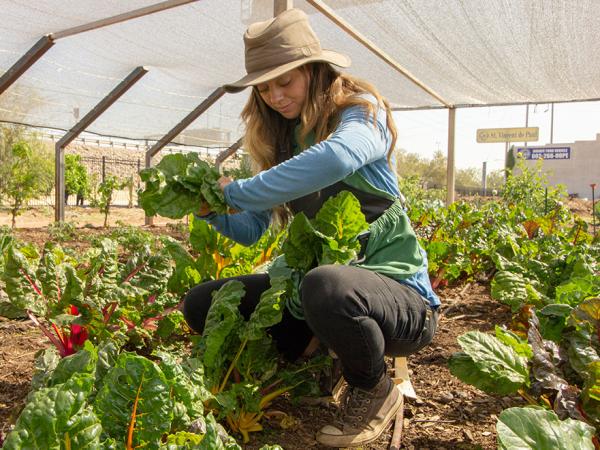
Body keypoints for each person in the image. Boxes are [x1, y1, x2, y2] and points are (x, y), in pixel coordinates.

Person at [183, 8, 440, 448]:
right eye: (264, 88)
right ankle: (318, 359)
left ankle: (375, 388)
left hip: (398, 302)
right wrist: (212, 211)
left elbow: (338, 158)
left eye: (286, 81)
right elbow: (251, 231)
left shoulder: (361, 114)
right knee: (205, 302)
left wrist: (239, 190)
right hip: (315, 299)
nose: (275, 95)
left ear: (316, 70)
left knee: (327, 286)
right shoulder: (281, 140)